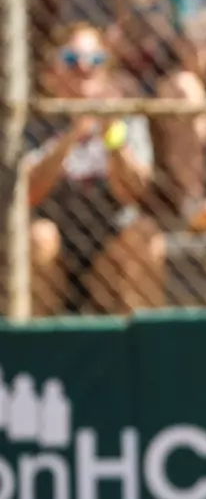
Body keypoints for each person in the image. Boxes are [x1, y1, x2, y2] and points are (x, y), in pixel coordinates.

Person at [57, 0, 206, 233]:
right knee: (120, 87)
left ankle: (193, 201)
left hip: (166, 106)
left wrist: (184, 34)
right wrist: (117, 34)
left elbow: (200, 67)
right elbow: (75, 70)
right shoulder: (86, 3)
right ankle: (125, 204)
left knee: (184, 87)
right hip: (121, 101)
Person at [24, 22, 166, 315]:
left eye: (97, 60)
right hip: (57, 245)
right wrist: (72, 134)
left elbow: (134, 193)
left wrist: (112, 136)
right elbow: (28, 194)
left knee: (145, 234)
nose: (86, 68)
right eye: (73, 61)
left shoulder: (123, 117)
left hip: (108, 242)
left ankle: (150, 352)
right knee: (38, 237)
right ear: (49, 75)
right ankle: (36, 352)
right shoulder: (34, 121)